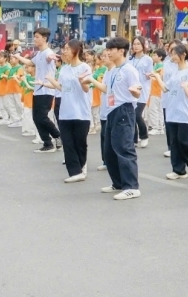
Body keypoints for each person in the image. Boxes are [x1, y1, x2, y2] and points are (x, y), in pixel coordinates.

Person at [82, 37, 143, 201]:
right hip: (111, 111)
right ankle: (118, 183)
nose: (107, 52)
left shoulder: (129, 70)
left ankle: (131, 186)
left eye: (111, 49)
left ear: (121, 51)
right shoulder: (113, 70)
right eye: (107, 49)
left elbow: (137, 91)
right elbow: (107, 90)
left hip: (124, 110)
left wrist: (134, 91)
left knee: (124, 148)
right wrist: (92, 80)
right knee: (109, 150)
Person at [44, 39, 93, 183]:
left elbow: (86, 89)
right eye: (63, 48)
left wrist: (81, 81)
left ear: (76, 50)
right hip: (65, 112)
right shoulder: (64, 68)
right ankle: (75, 172)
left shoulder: (84, 67)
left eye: (67, 49)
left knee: (80, 142)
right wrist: (50, 80)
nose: (64, 51)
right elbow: (62, 88)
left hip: (81, 112)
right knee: (67, 143)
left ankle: (82, 165)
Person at [161, 44, 188, 180]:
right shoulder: (176, 71)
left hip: (185, 112)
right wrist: (155, 77)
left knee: (185, 142)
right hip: (172, 110)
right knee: (174, 143)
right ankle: (178, 170)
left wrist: (186, 86)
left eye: (174, 54)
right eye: (171, 54)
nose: (172, 57)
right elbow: (166, 88)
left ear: (183, 55)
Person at [30, 28, 62, 153]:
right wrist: (17, 56)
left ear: (44, 38)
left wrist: (51, 57)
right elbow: (30, 62)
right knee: (36, 117)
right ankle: (47, 143)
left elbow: (49, 58)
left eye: (37, 37)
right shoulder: (38, 53)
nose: (35, 39)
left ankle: (57, 136)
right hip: (38, 89)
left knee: (42, 117)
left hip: (47, 89)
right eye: (35, 37)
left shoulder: (48, 52)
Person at [128, 37, 154, 148]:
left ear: (143, 45)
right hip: (130, 90)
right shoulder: (129, 59)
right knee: (131, 114)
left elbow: (150, 74)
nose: (136, 46)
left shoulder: (148, 59)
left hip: (142, 91)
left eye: (138, 44)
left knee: (137, 114)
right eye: (134, 44)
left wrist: (149, 75)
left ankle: (144, 136)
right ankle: (134, 139)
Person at [146, 48, 166, 136]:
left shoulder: (161, 66)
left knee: (154, 109)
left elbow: (161, 78)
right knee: (158, 110)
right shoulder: (156, 65)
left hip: (157, 91)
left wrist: (152, 76)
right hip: (154, 90)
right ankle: (159, 127)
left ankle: (156, 127)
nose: (153, 57)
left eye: (155, 55)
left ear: (160, 57)